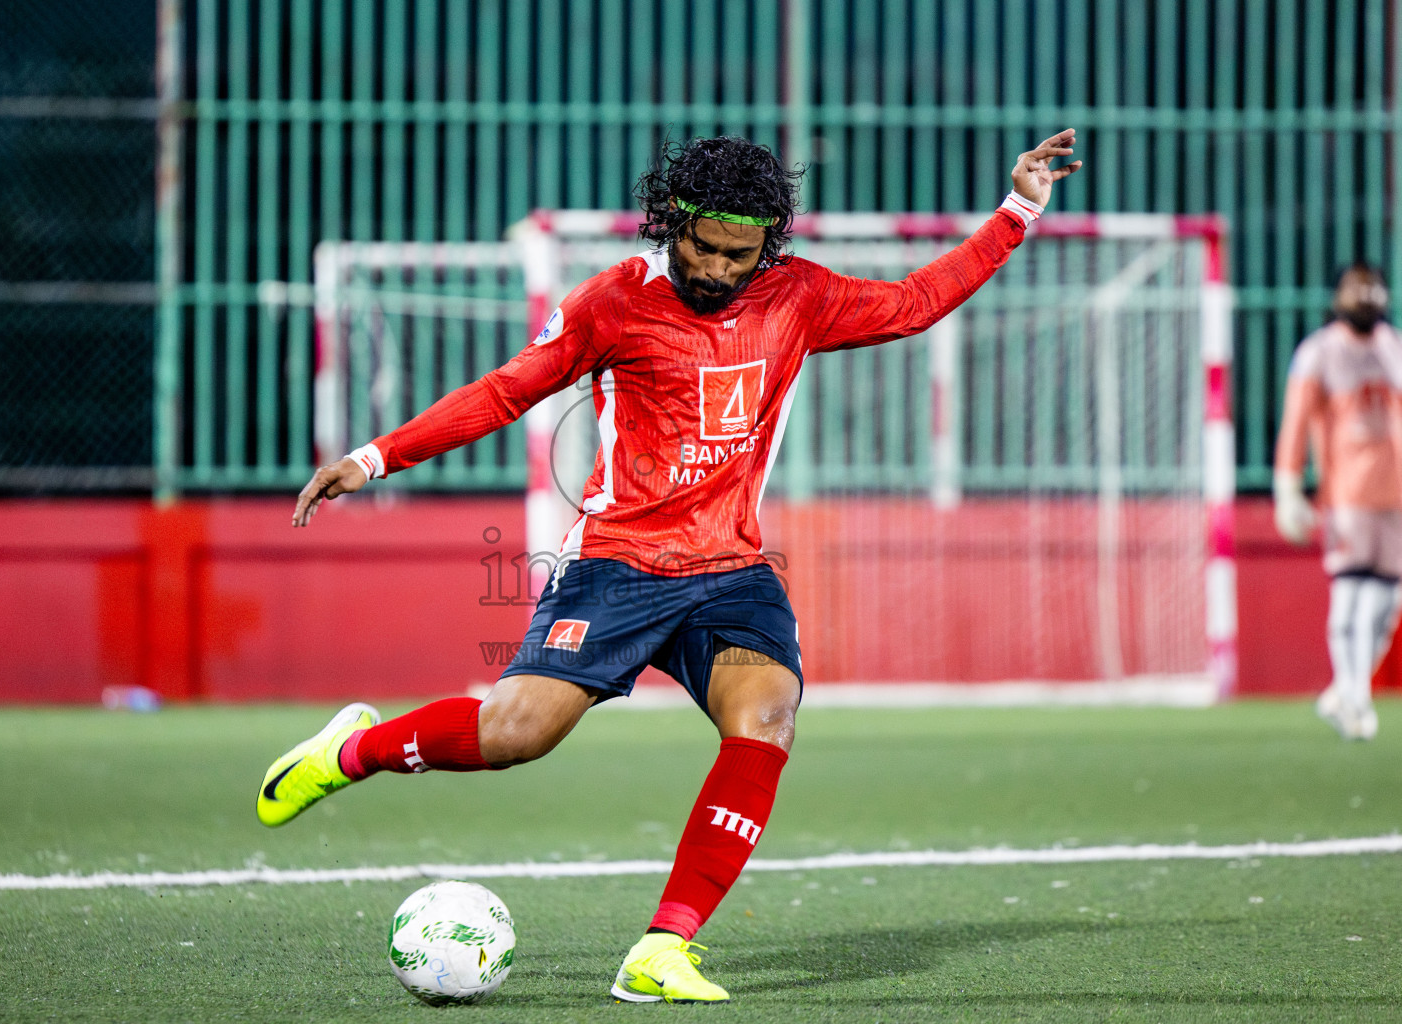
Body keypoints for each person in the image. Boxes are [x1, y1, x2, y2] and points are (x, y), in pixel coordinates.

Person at [258, 130, 1082, 1003]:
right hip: (617, 564)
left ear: (770, 244)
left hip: (731, 569)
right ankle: (348, 753)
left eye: (743, 253)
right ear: (672, 222)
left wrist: (1018, 208)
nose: (722, 269)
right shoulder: (613, 302)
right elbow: (508, 389)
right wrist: (377, 458)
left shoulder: (798, 297)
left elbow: (917, 301)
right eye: (706, 247)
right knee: (514, 736)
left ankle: (664, 947)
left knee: (767, 715)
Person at [1274, 264, 1402, 741]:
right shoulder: (1319, 352)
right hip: (1348, 495)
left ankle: (1346, 692)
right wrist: (1288, 489)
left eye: (1373, 287)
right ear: (1338, 296)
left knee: (1386, 607)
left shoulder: (1395, 348)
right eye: (1356, 288)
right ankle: (1355, 698)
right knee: (1350, 597)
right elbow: (1295, 421)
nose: (1366, 296)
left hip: (1397, 496)